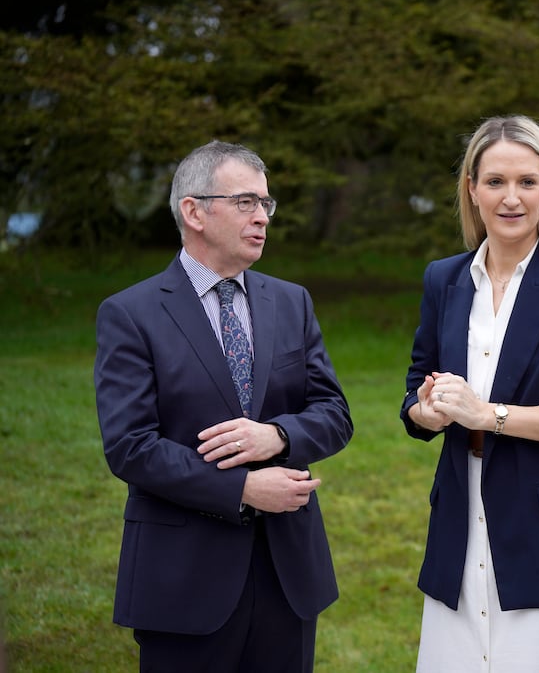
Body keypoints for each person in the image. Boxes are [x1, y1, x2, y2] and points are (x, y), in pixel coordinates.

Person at [94, 140, 353, 673]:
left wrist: (278, 437)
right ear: (194, 211)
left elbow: (334, 413)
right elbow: (130, 446)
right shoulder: (131, 313)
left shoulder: (291, 301)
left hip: (288, 574)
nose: (262, 218)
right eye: (245, 203)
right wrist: (241, 488)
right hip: (183, 578)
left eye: (266, 204)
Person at [399, 115, 539, 672]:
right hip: (458, 515)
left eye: (527, 181)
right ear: (472, 190)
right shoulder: (444, 279)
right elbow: (412, 395)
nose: (511, 198)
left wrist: (485, 414)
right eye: (495, 182)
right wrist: (428, 412)